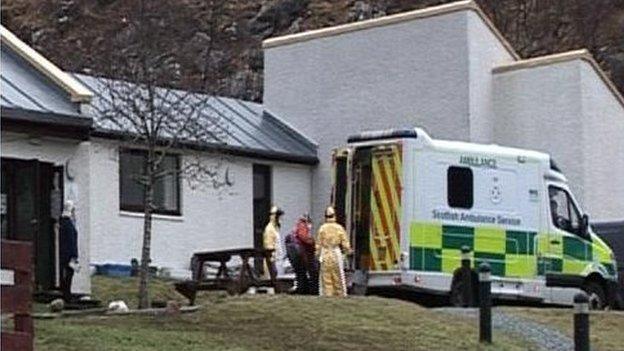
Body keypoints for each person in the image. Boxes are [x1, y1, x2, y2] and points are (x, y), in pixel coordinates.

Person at [316, 206, 352, 297]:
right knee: (338, 276)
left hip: (325, 253)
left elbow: (318, 243)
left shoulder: (322, 228)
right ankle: (340, 295)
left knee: (326, 277)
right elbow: (345, 242)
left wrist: (317, 254)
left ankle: (327, 295)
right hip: (336, 253)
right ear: (334, 215)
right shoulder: (339, 228)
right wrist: (348, 251)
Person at [59, 200, 78, 302]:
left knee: (67, 274)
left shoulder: (63, 223)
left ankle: (66, 293)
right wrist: (74, 254)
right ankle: (66, 295)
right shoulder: (68, 224)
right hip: (69, 254)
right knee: (69, 274)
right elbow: (71, 241)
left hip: (65, 253)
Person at [295, 213, 318, 295]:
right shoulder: (302, 227)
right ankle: (313, 290)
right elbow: (305, 239)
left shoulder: (300, 226)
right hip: (305, 255)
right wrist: (313, 242)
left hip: (304, 255)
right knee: (314, 273)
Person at [284, 220, 307, 294]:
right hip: (299, 260)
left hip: (295, 260)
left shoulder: (292, 236)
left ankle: (300, 287)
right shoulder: (300, 232)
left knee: (299, 273)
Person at [263, 205, 283, 281]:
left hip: (277, 260)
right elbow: (269, 247)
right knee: (273, 283)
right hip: (273, 262)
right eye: (279, 216)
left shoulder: (274, 229)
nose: (281, 219)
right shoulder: (269, 229)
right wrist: (272, 262)